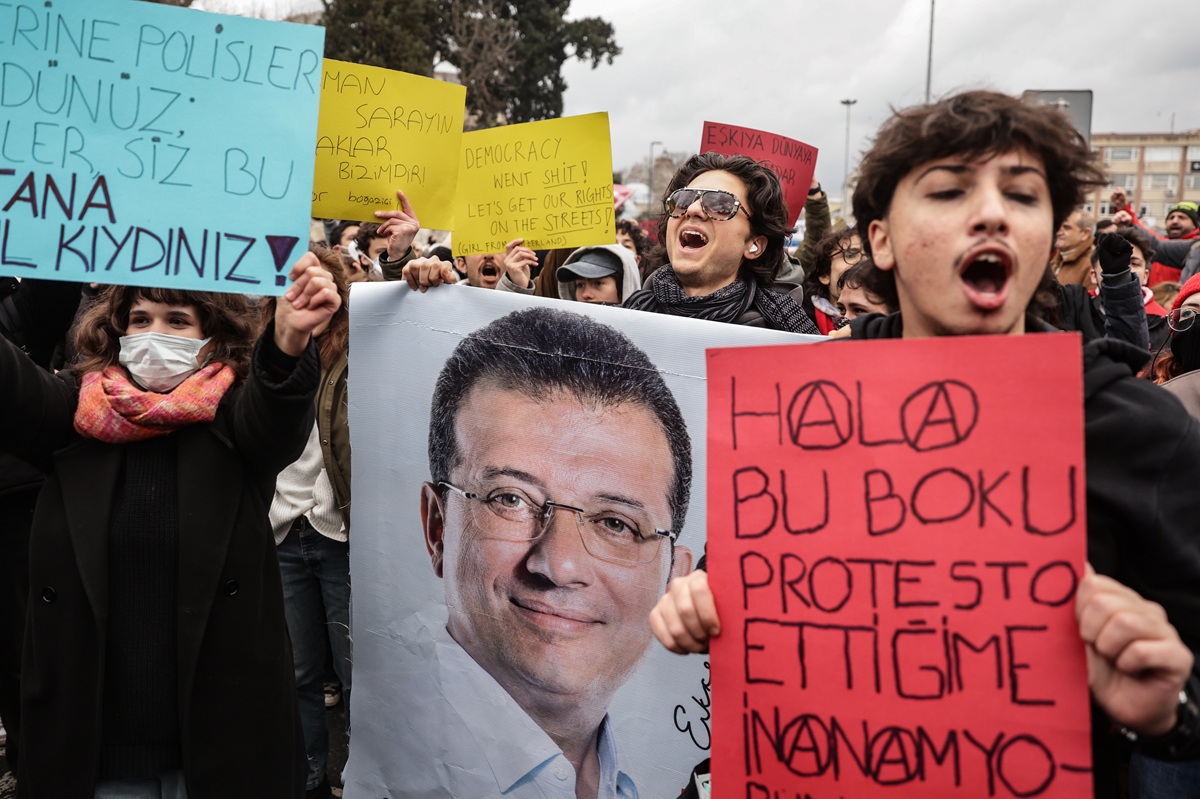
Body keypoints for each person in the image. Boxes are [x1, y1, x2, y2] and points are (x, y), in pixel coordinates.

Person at [650, 90, 1200, 799]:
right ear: (881, 240)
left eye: (1022, 195)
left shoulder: (1137, 431)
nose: (992, 213)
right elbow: (736, 581)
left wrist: (1170, 713)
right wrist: (700, 604)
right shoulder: (798, 408)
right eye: (947, 191)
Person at [5, 257, 340, 798]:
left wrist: (287, 339)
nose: (153, 334)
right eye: (139, 319)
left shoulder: (235, 418)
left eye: (177, 321)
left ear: (212, 338)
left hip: (217, 741)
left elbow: (277, 412)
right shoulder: (75, 410)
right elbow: (10, 386)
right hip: (99, 749)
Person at [400, 307, 694, 798]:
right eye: (510, 500)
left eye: (616, 523)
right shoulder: (394, 760)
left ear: (673, 582)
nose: (559, 565)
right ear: (437, 528)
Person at [264, 246, 354, 799]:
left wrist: (399, 263)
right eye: (293, 285)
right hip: (281, 531)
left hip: (340, 533)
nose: (304, 296)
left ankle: (364, 776)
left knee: (356, 670)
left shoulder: (359, 349)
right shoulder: (264, 355)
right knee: (298, 672)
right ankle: (310, 778)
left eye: (317, 284)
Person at [621, 153, 820, 333]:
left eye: (720, 205)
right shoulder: (624, 320)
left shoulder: (788, 336)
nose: (692, 209)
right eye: (683, 200)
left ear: (754, 245)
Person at [801, 226, 865, 333]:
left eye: (870, 255)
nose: (863, 261)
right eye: (850, 255)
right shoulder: (798, 321)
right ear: (824, 275)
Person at [1052, 208, 1096, 288]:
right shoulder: (1056, 260)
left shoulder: (1093, 264)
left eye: (1066, 227)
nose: (1058, 232)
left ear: (1085, 234)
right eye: (1057, 226)